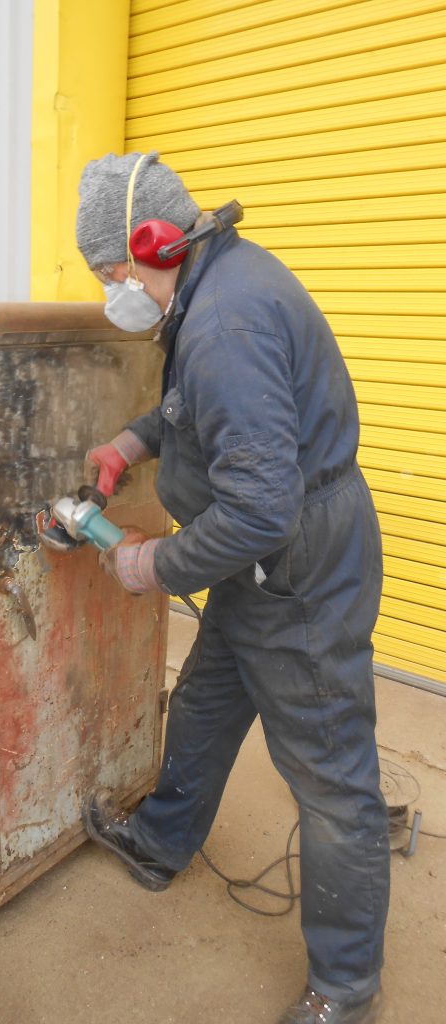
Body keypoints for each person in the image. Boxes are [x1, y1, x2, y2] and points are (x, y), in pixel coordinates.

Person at [76, 151, 389, 1024]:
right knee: (211, 701)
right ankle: (162, 840)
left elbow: (259, 511)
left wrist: (150, 566)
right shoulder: (211, 282)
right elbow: (191, 406)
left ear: (152, 245)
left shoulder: (226, 325)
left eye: (110, 270)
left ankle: (346, 987)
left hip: (295, 568)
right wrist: (132, 446)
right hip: (259, 564)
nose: (111, 286)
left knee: (330, 780)